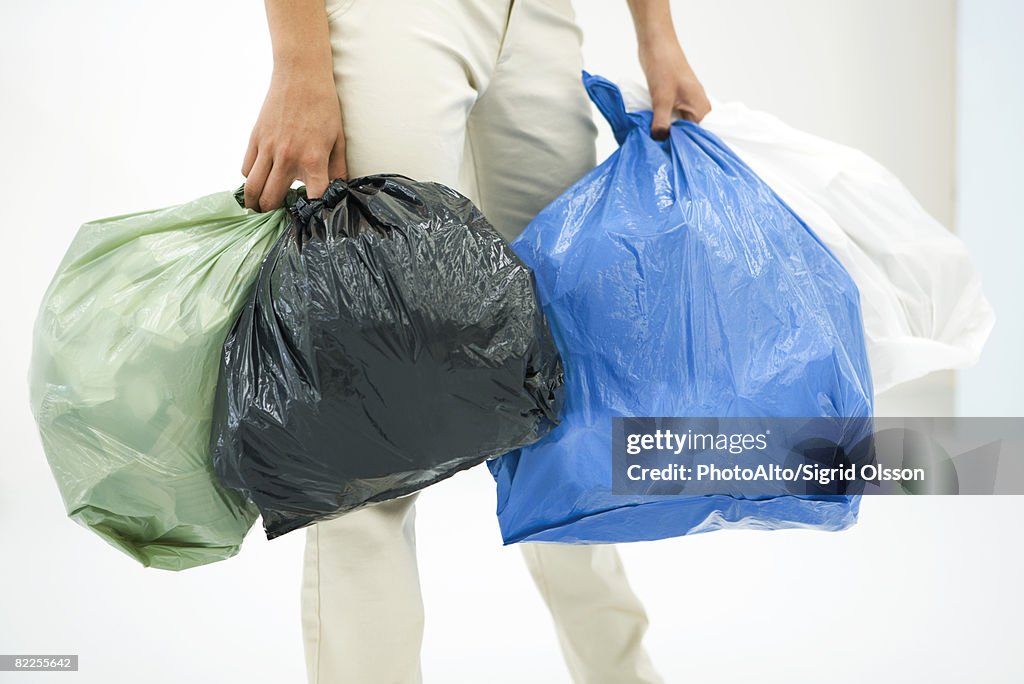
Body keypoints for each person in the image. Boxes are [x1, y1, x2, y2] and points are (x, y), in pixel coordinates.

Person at [241, 1, 710, 682]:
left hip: (540, 21)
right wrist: (298, 63)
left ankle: (621, 672)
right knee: (373, 416)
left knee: (567, 400)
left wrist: (657, 33)